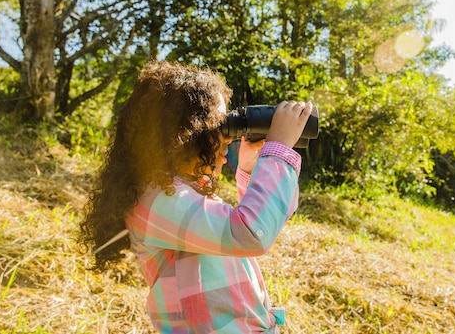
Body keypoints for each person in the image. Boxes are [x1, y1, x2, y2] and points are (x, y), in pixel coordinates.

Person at [78, 61, 313, 333]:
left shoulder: (175, 191)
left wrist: (249, 165)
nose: (227, 137)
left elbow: (265, 220)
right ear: (184, 132)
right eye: (218, 125)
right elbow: (250, 232)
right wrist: (278, 148)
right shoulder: (157, 200)